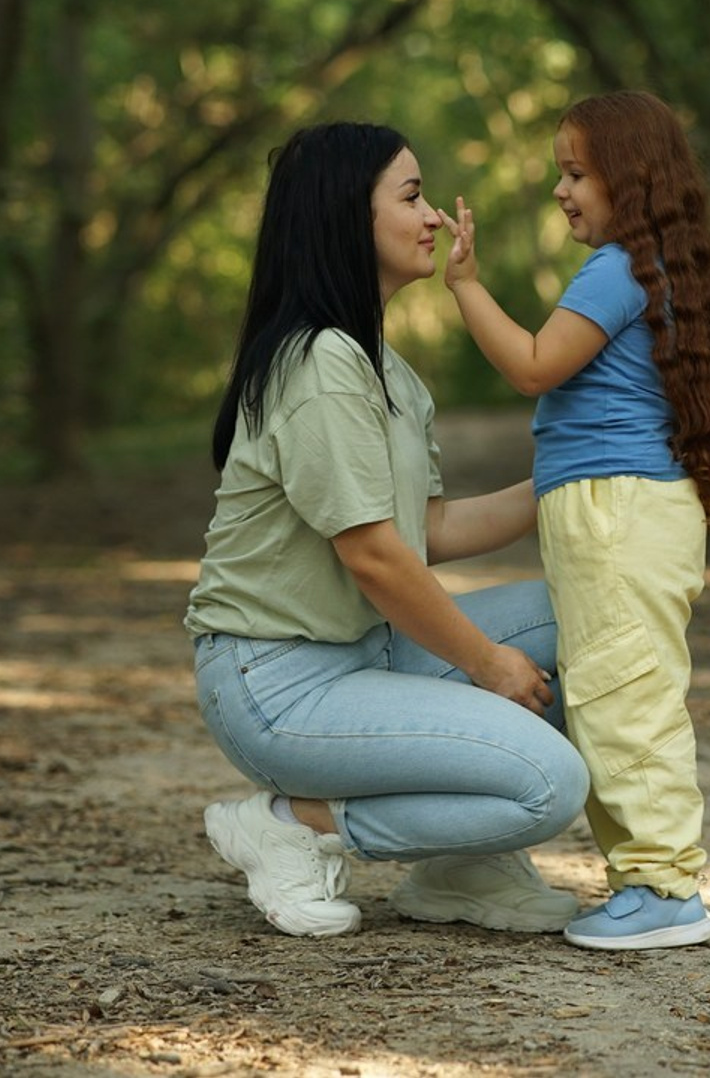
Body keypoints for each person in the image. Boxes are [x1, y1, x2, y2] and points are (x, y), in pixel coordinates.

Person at [184, 121, 590, 939]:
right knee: (548, 783)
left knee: (584, 607)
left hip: (361, 656)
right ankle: (298, 823)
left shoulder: (384, 366)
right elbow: (373, 556)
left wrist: (580, 473)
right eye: (410, 197)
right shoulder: (319, 363)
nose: (436, 216)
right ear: (346, 218)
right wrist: (486, 664)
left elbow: (426, 529)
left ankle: (461, 868)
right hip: (279, 684)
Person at [443, 90, 710, 950]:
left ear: (631, 179)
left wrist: (465, 286)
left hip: (619, 515)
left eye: (576, 173)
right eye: (560, 174)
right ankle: (645, 880)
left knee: (624, 697)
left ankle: (664, 887)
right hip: (614, 513)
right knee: (611, 691)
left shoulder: (615, 271)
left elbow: (536, 366)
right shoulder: (643, 268)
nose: (561, 191)